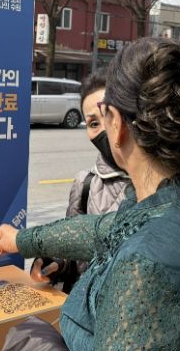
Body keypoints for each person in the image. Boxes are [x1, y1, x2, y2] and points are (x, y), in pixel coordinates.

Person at [0, 38, 180, 351]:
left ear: (116, 123)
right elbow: (102, 229)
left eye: (100, 118)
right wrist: (20, 240)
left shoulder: (146, 268)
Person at [31, 69, 131, 293]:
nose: (106, 129)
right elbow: (72, 251)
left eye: (110, 117)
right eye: (93, 123)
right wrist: (53, 263)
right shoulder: (86, 183)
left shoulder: (169, 187)